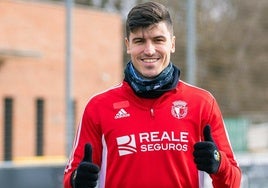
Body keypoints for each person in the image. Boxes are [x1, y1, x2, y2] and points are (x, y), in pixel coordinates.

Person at [63, 2, 241, 188]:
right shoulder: (99, 106)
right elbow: (70, 179)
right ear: (128, 45)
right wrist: (77, 181)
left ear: (172, 44)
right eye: (140, 41)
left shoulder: (203, 103)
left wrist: (218, 164)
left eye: (158, 40)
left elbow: (234, 182)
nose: (149, 50)